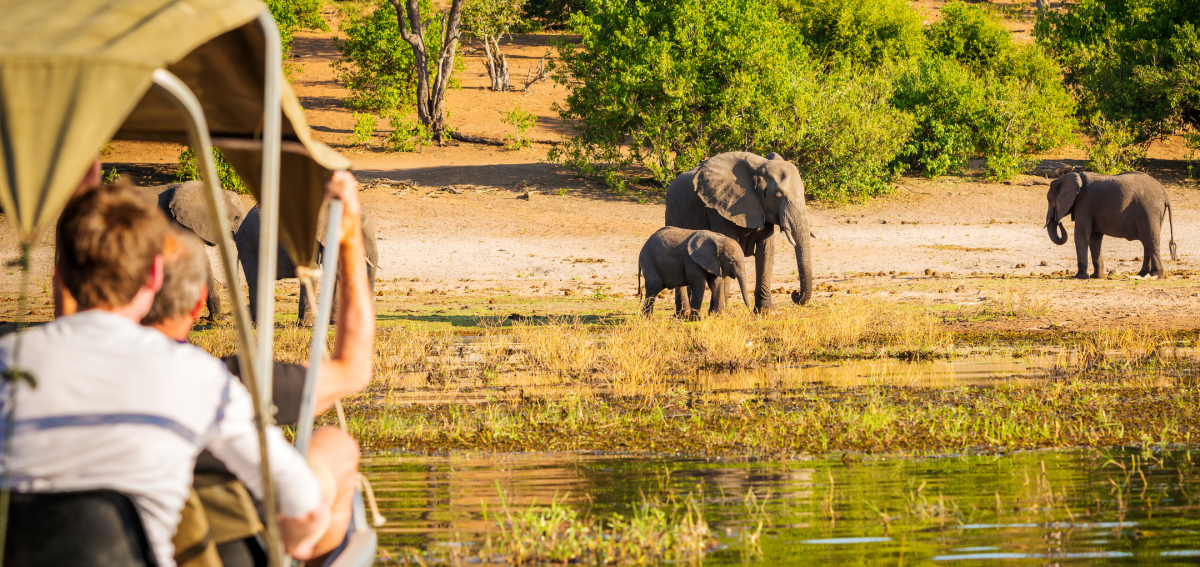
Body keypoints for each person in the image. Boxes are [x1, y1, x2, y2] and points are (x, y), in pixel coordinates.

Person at [0, 182, 334, 566]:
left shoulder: (7, 362)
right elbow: (305, 505)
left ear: (59, 273)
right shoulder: (197, 376)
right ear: (155, 274)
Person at [142, 171, 374, 565]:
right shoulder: (221, 385)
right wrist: (349, 240)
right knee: (334, 445)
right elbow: (353, 369)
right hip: (217, 545)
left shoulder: (18, 372)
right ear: (200, 302)